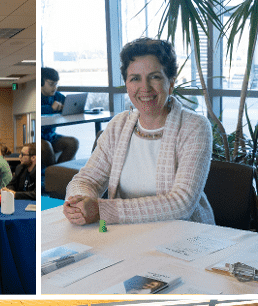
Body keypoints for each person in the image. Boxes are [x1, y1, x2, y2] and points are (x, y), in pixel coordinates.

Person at [64, 38, 214, 226]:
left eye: (155, 77)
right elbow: (86, 179)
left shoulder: (195, 126)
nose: (145, 88)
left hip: (184, 236)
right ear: (127, 84)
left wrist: (101, 210)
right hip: (126, 234)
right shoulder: (118, 125)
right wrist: (80, 201)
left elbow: (181, 203)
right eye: (135, 78)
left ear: (171, 83)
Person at [40, 67, 80, 166]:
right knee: (46, 146)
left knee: (73, 142)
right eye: (51, 84)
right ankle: (50, 176)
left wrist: (65, 108)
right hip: (37, 139)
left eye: (56, 84)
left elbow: (72, 104)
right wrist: (51, 108)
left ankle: (59, 172)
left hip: (51, 136)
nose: (54, 87)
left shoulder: (57, 96)